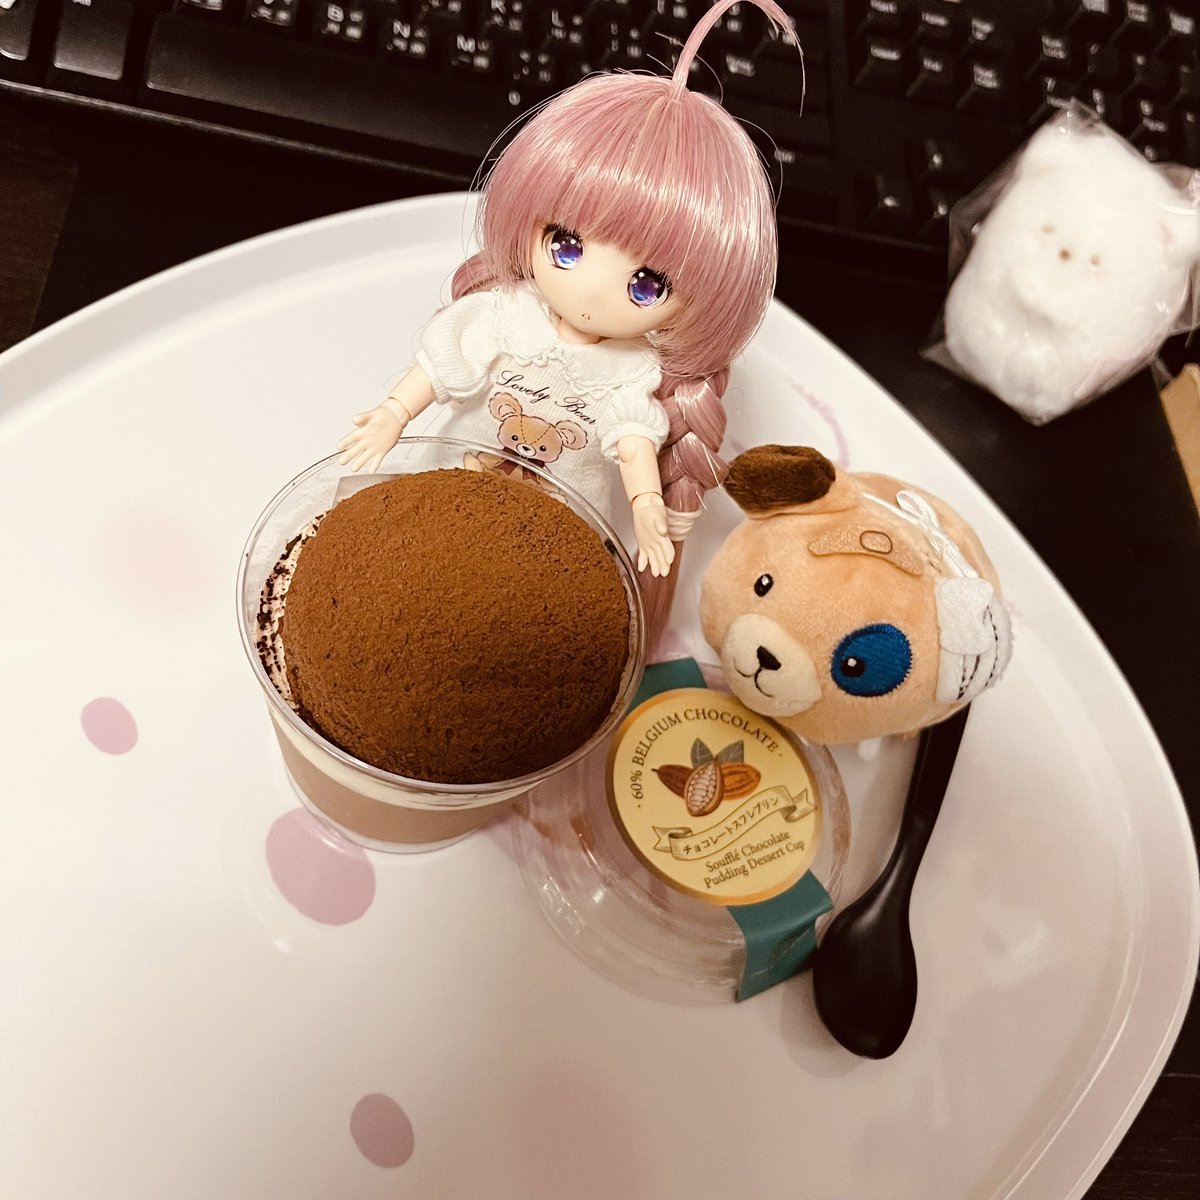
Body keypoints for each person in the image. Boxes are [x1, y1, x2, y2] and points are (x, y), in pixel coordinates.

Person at [338, 0, 796, 640]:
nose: (589, 290)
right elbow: (442, 368)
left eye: (646, 284)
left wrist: (646, 505)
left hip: (556, 519)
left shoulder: (629, 370)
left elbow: (631, 440)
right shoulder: (507, 316)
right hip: (456, 481)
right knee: (425, 575)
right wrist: (394, 413)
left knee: (521, 613)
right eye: (568, 246)